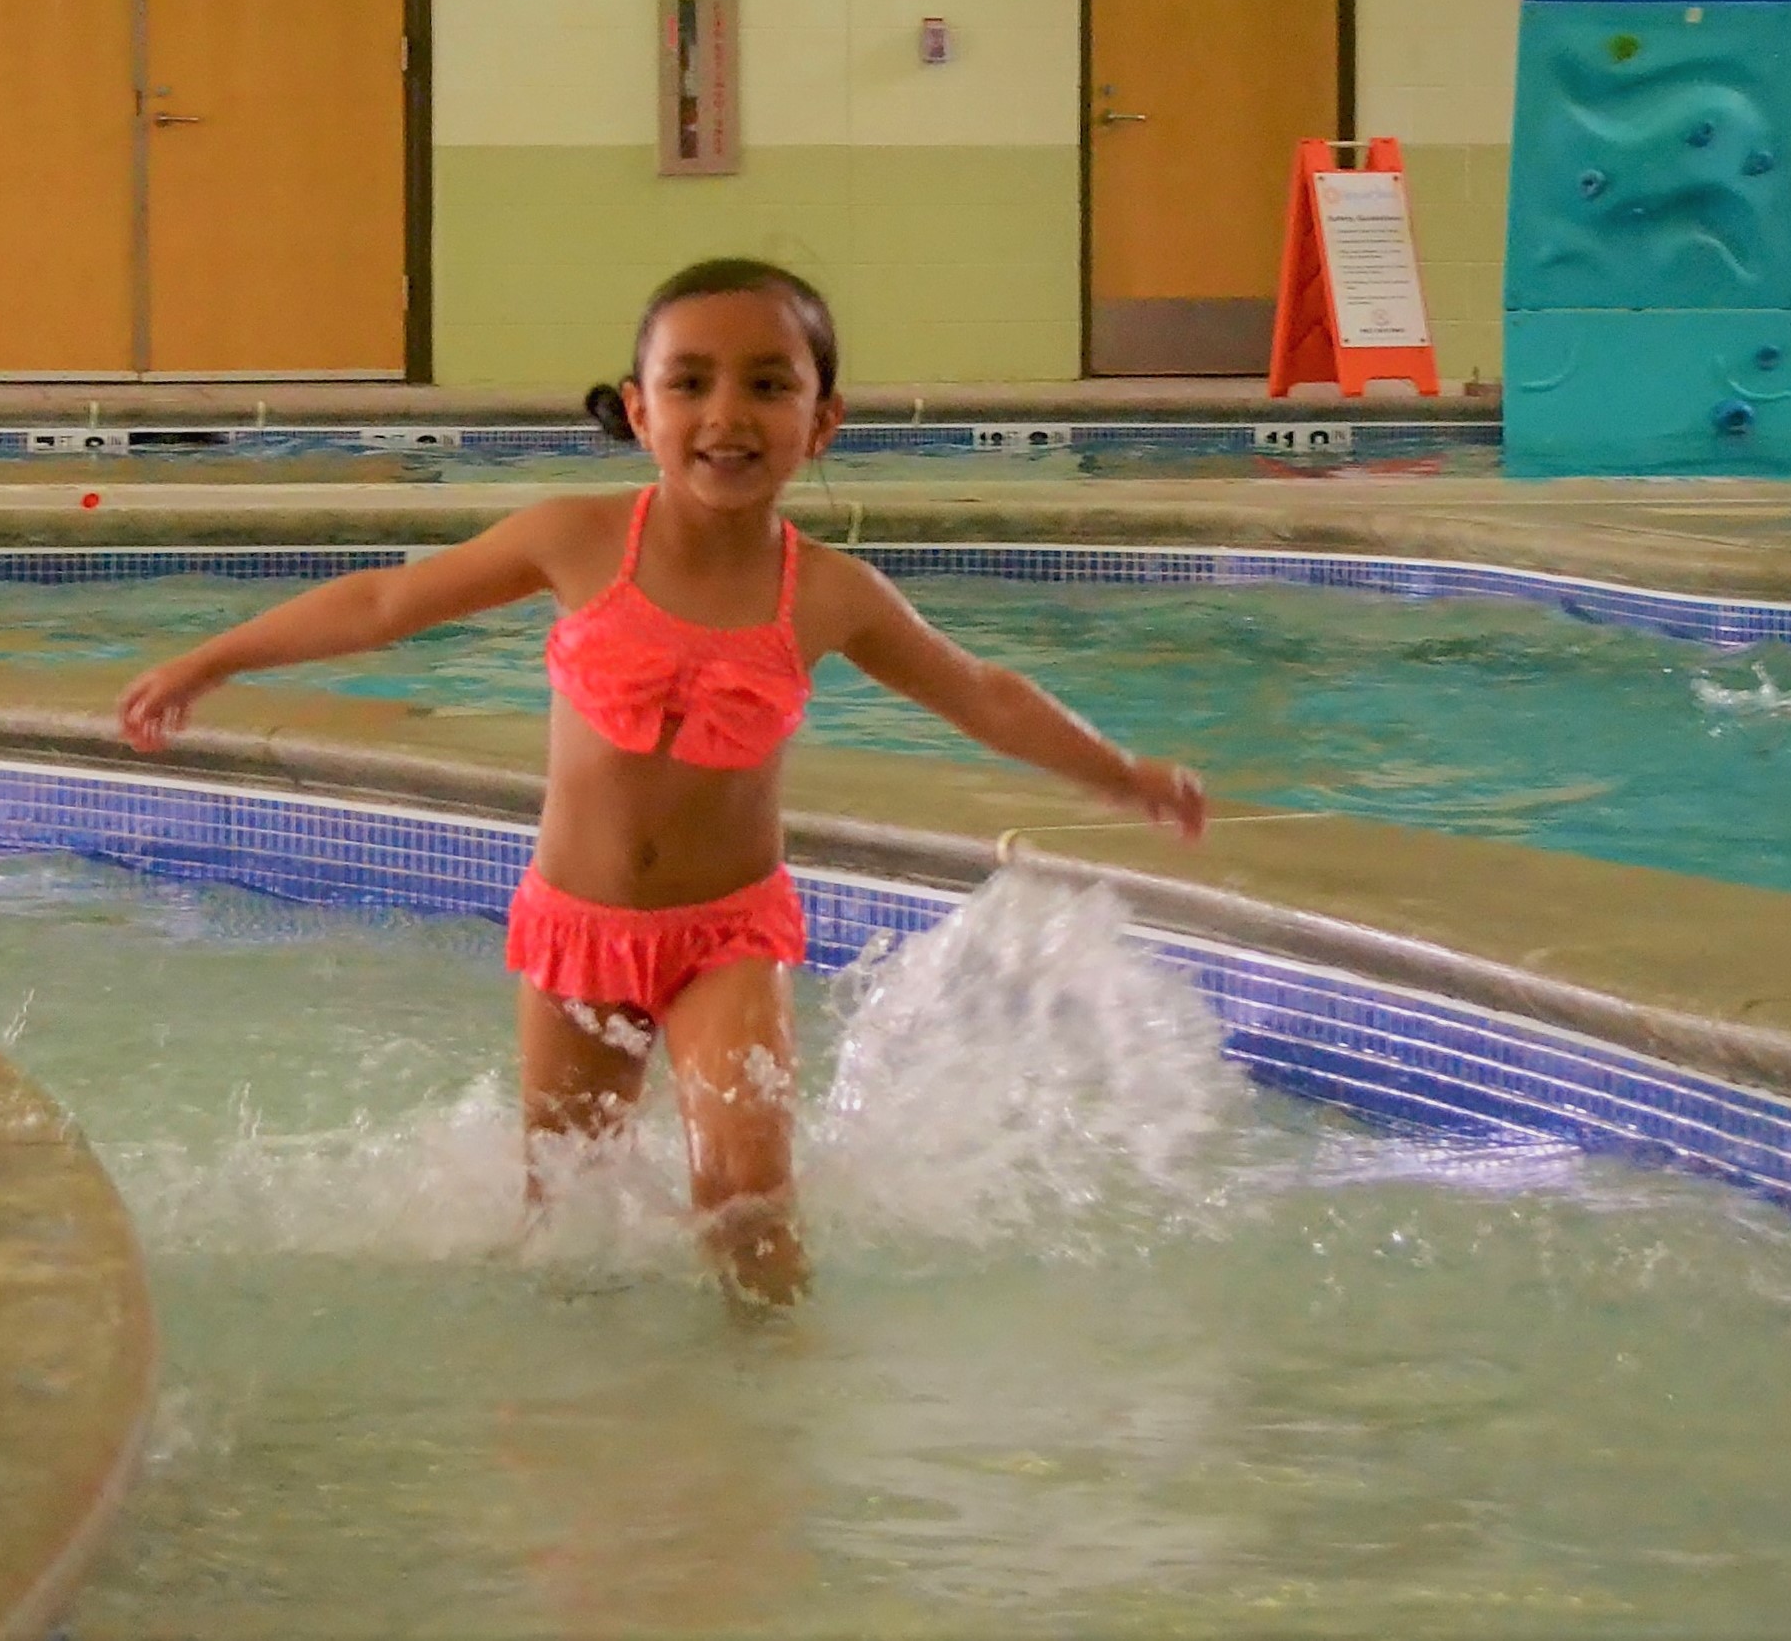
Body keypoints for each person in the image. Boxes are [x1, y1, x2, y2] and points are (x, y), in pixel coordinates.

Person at [115, 258, 1207, 1304]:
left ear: (823, 420)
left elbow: (984, 693)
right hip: (576, 929)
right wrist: (211, 660)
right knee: (566, 1218)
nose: (726, 415)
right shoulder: (577, 538)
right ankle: (601, 1436)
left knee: (747, 1201)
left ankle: (767, 1408)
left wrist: (1117, 772)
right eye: (690, 382)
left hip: (725, 934)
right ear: (639, 410)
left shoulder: (828, 592)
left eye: (769, 384)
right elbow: (378, 604)